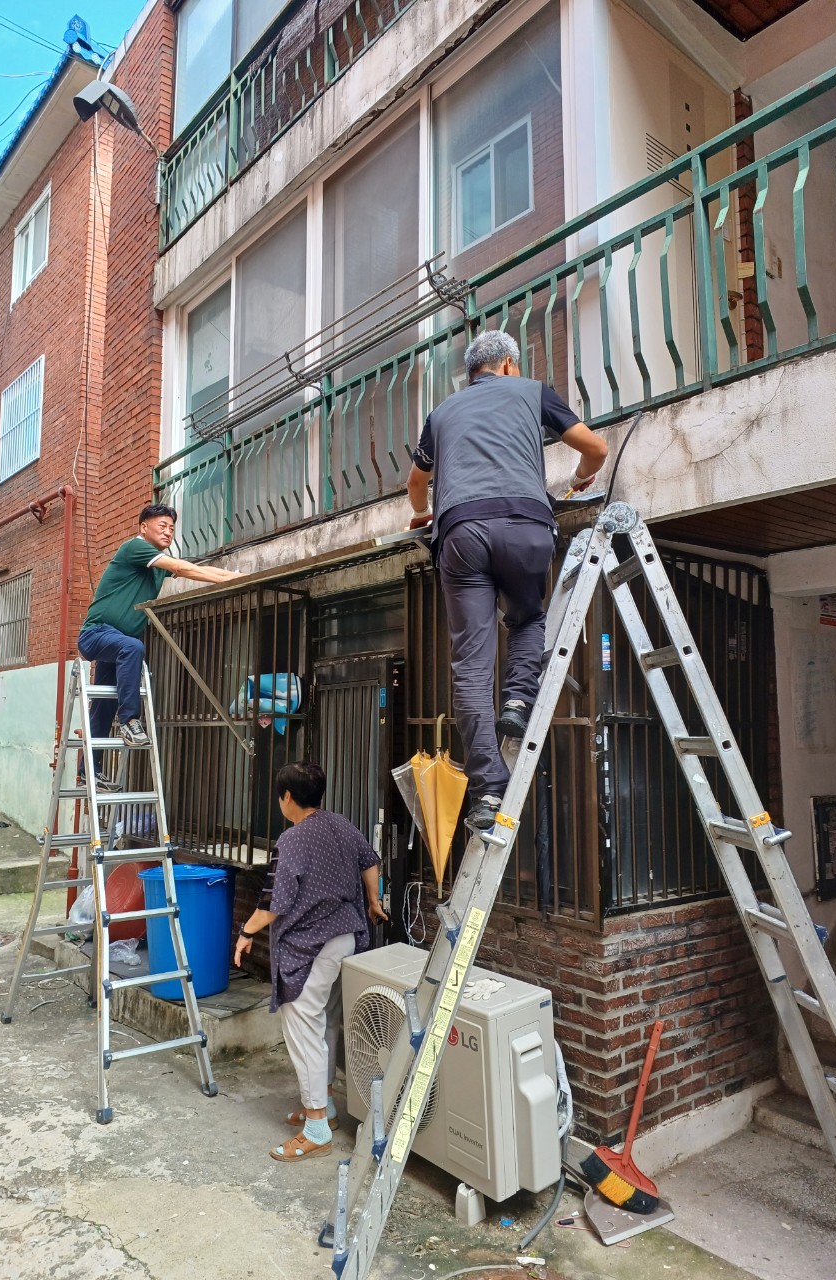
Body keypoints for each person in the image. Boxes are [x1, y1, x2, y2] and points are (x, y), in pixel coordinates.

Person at [406, 329, 608, 832]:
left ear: (474, 372)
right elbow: (596, 448)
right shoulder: (532, 391)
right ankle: (519, 701)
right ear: (510, 365)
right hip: (526, 525)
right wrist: (580, 478)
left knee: (471, 667)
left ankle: (489, 792)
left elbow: (415, 482)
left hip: (461, 532)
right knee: (527, 618)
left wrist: (421, 514)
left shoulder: (441, 414)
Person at [233, 762, 388, 1162]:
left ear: (287, 798)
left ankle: (316, 1126)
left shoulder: (293, 840)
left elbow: (274, 902)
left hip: (312, 947)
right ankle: (328, 1105)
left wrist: (247, 933)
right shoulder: (341, 824)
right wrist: (374, 900)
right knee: (328, 1021)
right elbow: (370, 860)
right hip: (349, 938)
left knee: (303, 1026)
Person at [78, 503, 240, 788]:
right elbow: (180, 567)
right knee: (134, 647)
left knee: (104, 707)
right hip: (97, 633)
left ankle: (88, 772)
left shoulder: (155, 565)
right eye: (162, 526)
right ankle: (130, 722)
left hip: (115, 644)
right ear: (144, 527)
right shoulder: (134, 548)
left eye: (172, 529)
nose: (168, 532)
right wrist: (233, 578)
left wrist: (230, 577)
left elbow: (188, 570)